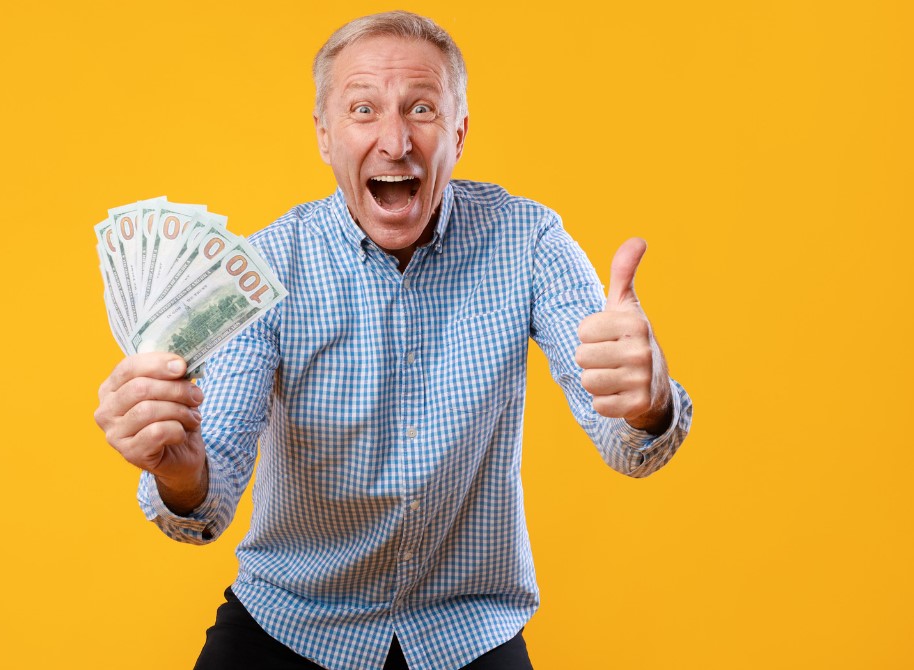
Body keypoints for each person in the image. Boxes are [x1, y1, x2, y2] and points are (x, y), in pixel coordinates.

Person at [94, 11, 692, 670]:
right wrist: (181, 471)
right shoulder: (266, 271)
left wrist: (648, 402)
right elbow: (208, 498)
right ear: (324, 137)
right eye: (362, 110)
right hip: (292, 622)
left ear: (459, 135)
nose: (395, 140)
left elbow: (628, 444)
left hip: (467, 629)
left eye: (422, 109)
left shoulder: (530, 242)